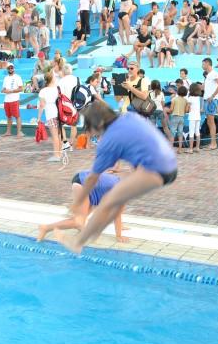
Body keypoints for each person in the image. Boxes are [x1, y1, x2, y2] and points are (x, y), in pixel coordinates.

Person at [54, 101, 177, 254]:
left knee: (107, 202)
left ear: (98, 123)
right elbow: (144, 139)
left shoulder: (108, 141)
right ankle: (95, 231)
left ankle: (78, 243)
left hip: (156, 170)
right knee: (114, 201)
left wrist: (78, 202)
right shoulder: (130, 117)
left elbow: (92, 178)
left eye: (90, 127)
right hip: (171, 163)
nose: (91, 132)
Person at [38, 168, 128, 243]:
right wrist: (119, 236)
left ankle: (77, 223)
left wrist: (120, 226)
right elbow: (117, 215)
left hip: (86, 180)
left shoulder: (120, 183)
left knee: (90, 209)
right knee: (78, 221)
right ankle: (45, 228)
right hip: (82, 183)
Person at [37, 71, 63, 162]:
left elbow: (42, 105)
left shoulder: (43, 91)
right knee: (58, 135)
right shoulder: (57, 89)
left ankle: (56, 155)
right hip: (59, 113)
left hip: (51, 114)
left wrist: (39, 117)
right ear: (52, 79)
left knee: (55, 136)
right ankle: (59, 154)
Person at [202, 58, 218, 148]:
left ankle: (214, 143)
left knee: (211, 122)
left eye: (203, 64)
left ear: (207, 64)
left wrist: (213, 96)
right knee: (209, 122)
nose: (202, 66)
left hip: (211, 100)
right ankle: (212, 142)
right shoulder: (208, 75)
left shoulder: (214, 73)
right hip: (207, 100)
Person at [1, 63, 24, 137]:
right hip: (6, 100)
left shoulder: (18, 77)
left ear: (14, 68)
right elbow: (3, 90)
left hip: (14, 99)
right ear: (7, 69)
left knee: (17, 116)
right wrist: (5, 91)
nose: (10, 69)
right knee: (8, 116)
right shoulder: (5, 78)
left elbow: (21, 88)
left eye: (12, 68)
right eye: (9, 68)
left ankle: (19, 132)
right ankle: (8, 132)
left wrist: (11, 91)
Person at [187, 83, 203, 153]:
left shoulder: (190, 98)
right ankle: (197, 147)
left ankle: (190, 149)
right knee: (197, 132)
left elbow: (188, 108)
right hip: (198, 117)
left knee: (191, 132)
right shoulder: (199, 98)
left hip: (192, 117)